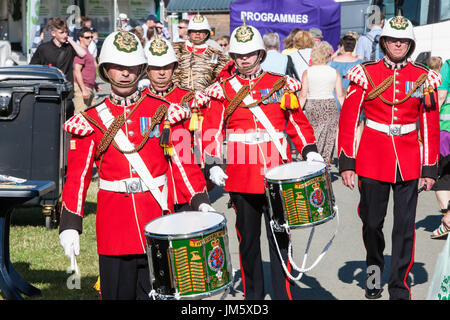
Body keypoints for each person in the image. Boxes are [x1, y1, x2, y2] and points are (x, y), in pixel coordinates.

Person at [58, 30, 213, 300]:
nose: (125, 73)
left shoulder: (164, 111)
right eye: (118, 67)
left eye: (131, 67)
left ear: (141, 68)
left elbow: (183, 160)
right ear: (106, 70)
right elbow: (78, 176)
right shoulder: (91, 120)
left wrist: (199, 199)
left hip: (156, 220)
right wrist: (70, 222)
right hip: (114, 228)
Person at [202, 21, 323, 300]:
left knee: (281, 238)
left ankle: (283, 295)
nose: (244, 59)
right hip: (241, 174)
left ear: (260, 54)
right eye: (239, 54)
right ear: (233, 56)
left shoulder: (281, 84)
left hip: (277, 172)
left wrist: (310, 150)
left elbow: (296, 123)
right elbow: (211, 130)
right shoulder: (222, 89)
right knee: (248, 242)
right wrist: (214, 163)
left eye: (250, 53)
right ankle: (252, 296)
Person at [338, 16, 441, 300]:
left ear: (410, 44)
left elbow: (430, 124)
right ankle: (373, 275)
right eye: (394, 39)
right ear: (383, 42)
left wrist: (429, 167)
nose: (398, 44)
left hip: (409, 158)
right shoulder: (365, 73)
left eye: (404, 40)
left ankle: (399, 287)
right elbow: (348, 119)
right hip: (372, 156)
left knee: (405, 228)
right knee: (372, 223)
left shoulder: (423, 77)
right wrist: (347, 162)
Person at [143, 37, 212, 211]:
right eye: (156, 68)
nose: (161, 72)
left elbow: (202, 139)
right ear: (146, 70)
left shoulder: (189, 98)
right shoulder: (139, 102)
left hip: (187, 187)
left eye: (166, 67)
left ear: (173, 68)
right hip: (153, 186)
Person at [30, 17, 87, 118]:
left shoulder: (69, 47)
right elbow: (33, 68)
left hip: (66, 93)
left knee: (67, 124)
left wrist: (70, 40)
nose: (65, 35)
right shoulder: (43, 48)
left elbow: (82, 54)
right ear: (53, 33)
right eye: (61, 32)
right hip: (49, 92)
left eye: (66, 32)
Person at [299, 41, 344, 164]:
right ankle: (324, 161)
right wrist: (347, 110)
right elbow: (340, 95)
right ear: (327, 56)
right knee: (328, 136)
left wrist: (296, 111)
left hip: (312, 105)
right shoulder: (334, 72)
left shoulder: (307, 72)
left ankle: (310, 155)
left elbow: (303, 95)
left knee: (313, 133)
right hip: (329, 105)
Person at [172, 13, 230, 91]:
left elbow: (222, 76)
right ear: (189, 32)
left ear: (207, 33)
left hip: (204, 98)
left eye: (201, 31)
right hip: (178, 97)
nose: (197, 33)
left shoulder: (215, 53)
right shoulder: (176, 49)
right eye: (194, 31)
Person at [432, 56, 450, 238]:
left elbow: (441, 96)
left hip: (447, 130)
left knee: (443, 175)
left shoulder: (449, 65)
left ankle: (447, 219)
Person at [328, 35, 364, 108]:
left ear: (342, 47)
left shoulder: (332, 63)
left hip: (335, 96)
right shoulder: (360, 63)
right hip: (353, 95)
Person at [73, 27, 98, 115]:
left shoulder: (87, 51)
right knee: (80, 115)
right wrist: (83, 89)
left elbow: (88, 70)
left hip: (89, 87)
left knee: (92, 115)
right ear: (80, 38)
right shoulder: (81, 52)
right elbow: (77, 71)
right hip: (82, 87)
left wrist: (95, 84)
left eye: (91, 37)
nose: (90, 39)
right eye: (87, 37)